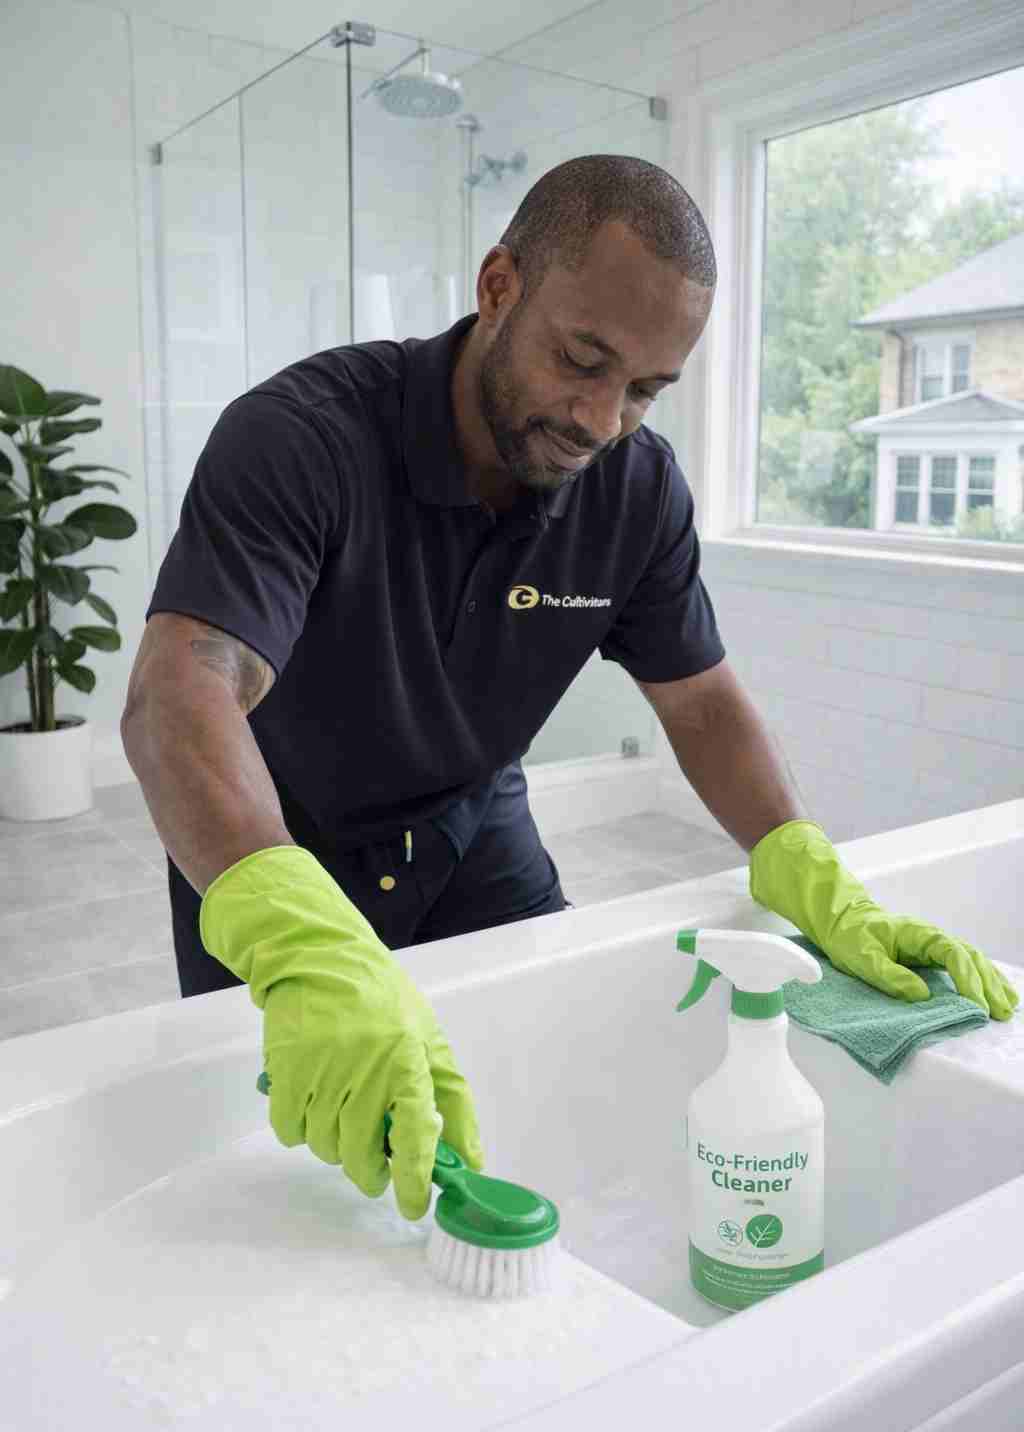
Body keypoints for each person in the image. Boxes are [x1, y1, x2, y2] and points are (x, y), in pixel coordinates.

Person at [121, 154, 1018, 1224]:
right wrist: (291, 933)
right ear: (498, 284)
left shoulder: (637, 494)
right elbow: (182, 687)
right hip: (276, 855)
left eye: (645, 388)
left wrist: (801, 860)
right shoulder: (303, 438)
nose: (602, 418)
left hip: (472, 829)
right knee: (280, 1173)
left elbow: (700, 699)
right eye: (581, 359)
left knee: (548, 1092)